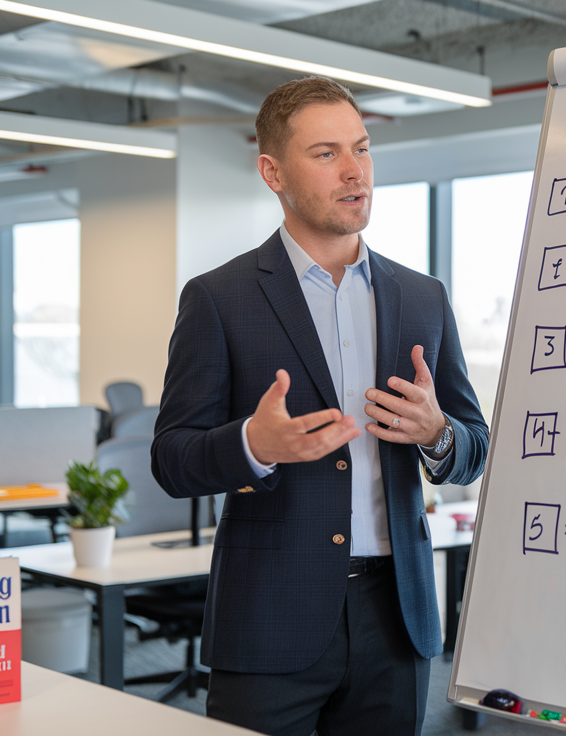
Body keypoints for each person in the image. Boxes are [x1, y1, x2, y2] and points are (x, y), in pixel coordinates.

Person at [151, 76, 489, 736]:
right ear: (272, 172)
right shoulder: (220, 298)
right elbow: (171, 458)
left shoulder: (423, 297)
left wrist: (438, 433)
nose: (355, 171)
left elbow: (473, 446)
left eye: (362, 149)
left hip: (396, 618)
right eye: (327, 153)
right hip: (269, 620)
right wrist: (254, 444)